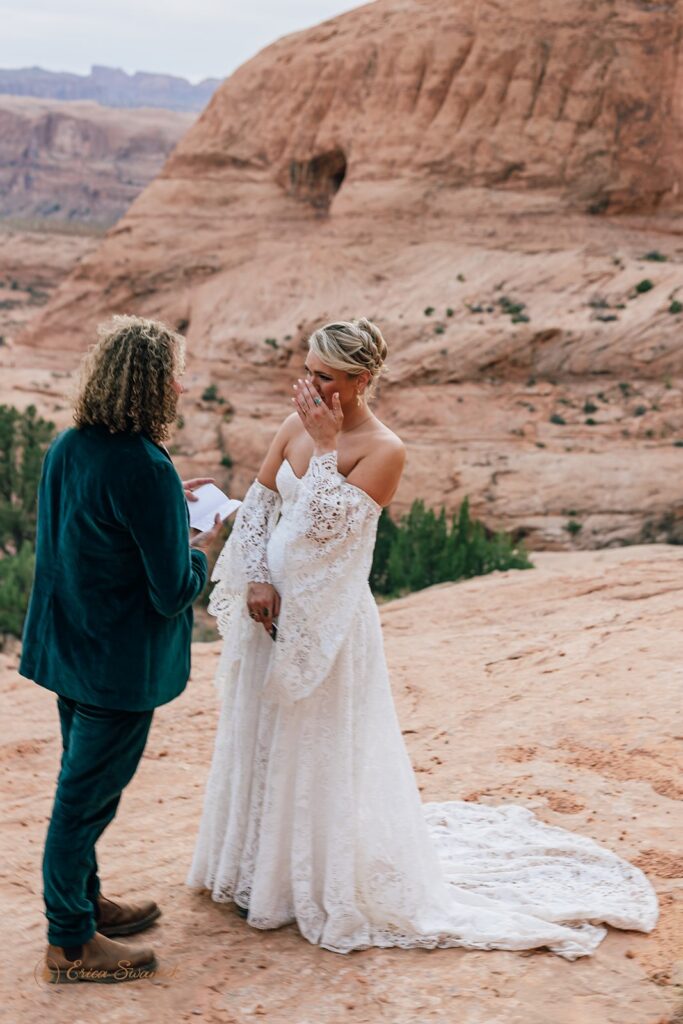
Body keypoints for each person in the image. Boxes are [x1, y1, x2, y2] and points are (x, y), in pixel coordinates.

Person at [187, 317, 658, 958]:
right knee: (261, 735)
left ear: (360, 380)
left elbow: (331, 534)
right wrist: (259, 577)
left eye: (325, 376)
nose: (309, 384)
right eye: (309, 369)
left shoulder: (384, 449)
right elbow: (263, 504)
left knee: (312, 742)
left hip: (327, 623)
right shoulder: (292, 423)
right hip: (269, 613)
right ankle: (252, 870)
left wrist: (326, 452)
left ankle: (308, 882)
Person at [20, 315, 224, 983]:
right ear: (148, 385)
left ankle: (85, 903)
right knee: (85, 800)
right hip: (114, 667)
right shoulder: (142, 466)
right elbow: (170, 593)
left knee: (79, 784)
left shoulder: (70, 444)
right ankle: (70, 943)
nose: (181, 385)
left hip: (67, 649)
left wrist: (169, 507)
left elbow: (86, 536)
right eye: (173, 374)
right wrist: (196, 543)